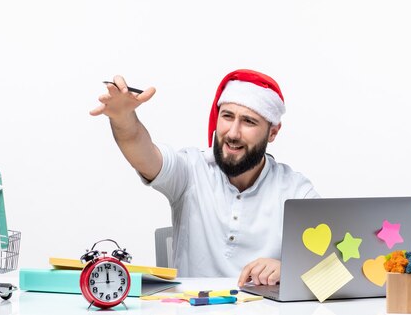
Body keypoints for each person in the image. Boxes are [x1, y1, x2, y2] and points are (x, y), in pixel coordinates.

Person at [90, 69, 319, 287]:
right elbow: (143, 154)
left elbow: (342, 267)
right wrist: (123, 119)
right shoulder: (191, 170)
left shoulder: (295, 191)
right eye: (227, 116)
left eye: (249, 121)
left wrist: (290, 270)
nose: (232, 133)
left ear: (273, 132)